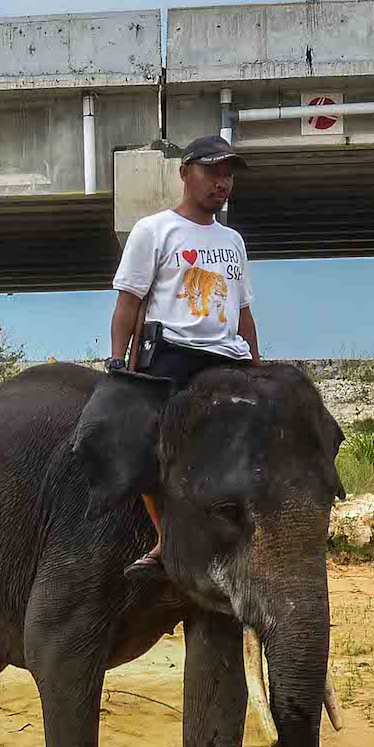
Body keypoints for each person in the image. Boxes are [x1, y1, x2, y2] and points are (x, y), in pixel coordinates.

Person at [105, 135, 259, 574]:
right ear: (185, 173)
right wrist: (119, 362)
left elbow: (242, 309)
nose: (221, 182)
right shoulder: (154, 230)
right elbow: (129, 302)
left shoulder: (233, 241)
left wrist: (256, 362)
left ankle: (239, 536)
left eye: (228, 174)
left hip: (227, 358)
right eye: (212, 171)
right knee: (148, 447)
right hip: (172, 353)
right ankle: (164, 538)